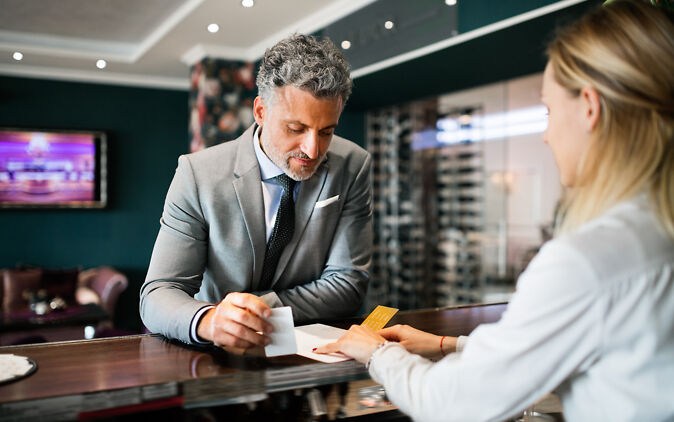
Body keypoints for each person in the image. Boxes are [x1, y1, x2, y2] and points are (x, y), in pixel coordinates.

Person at [316, 1, 674, 420]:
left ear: (590, 108)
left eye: (549, 111)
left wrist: (376, 353)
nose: (546, 135)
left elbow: (452, 406)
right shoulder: (654, 233)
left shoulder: (587, 261)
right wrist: (446, 345)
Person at [140, 34, 373, 349]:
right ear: (261, 112)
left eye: (326, 131)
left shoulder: (353, 165)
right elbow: (158, 294)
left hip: (312, 353)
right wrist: (210, 319)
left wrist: (254, 310)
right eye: (296, 129)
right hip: (216, 352)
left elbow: (348, 285)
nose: (313, 149)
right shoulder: (197, 174)